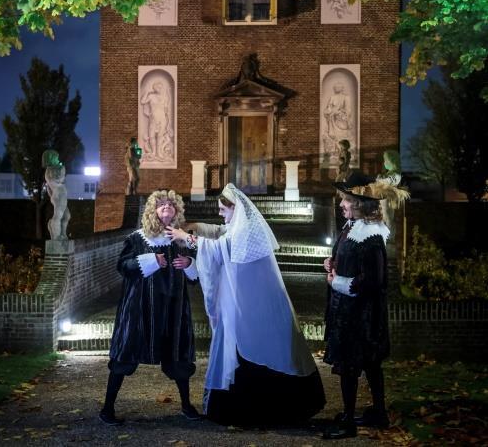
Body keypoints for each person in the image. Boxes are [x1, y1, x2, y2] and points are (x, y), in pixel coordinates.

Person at [166, 182, 326, 427]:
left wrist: (187, 237)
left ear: (236, 210)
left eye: (224, 210)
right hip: (251, 307)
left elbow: (222, 247)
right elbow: (221, 233)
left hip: (251, 310)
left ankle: (253, 410)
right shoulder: (241, 227)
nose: (220, 214)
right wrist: (196, 228)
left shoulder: (244, 233)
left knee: (250, 349)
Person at [99, 189, 200, 426]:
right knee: (124, 356)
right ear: (153, 210)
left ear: (176, 210)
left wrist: (189, 263)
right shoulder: (137, 238)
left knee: (178, 358)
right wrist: (150, 261)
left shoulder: (182, 238)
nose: (166, 207)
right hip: (139, 308)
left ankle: (186, 405)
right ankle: (107, 408)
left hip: (173, 309)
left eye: (171, 204)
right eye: (161, 204)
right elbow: (122, 266)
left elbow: (196, 277)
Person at [322, 172, 408, 440]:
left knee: (352, 367)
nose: (341, 205)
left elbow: (373, 279)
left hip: (361, 316)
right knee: (370, 365)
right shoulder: (352, 227)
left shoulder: (371, 235)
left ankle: (348, 422)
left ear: (359, 203)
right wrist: (332, 261)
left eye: (345, 200)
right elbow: (348, 258)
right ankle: (379, 413)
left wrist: (339, 282)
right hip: (350, 312)